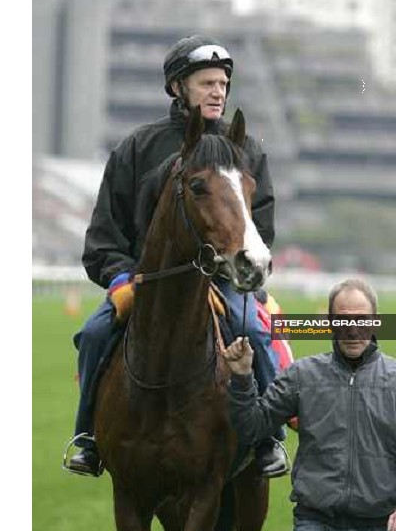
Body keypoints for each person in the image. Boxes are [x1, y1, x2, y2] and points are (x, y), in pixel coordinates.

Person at [66, 34, 289, 478]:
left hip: (223, 280)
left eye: (223, 84)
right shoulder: (137, 147)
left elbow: (259, 228)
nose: (218, 92)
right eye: (207, 83)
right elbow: (103, 237)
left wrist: (237, 267)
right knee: (93, 334)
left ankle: (268, 440)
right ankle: (88, 438)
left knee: (252, 329)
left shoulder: (247, 150)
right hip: (141, 283)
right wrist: (120, 278)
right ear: (177, 88)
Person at [224, 278, 396, 531]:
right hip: (315, 520)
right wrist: (243, 378)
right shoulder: (301, 376)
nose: (352, 331)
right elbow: (251, 428)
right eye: (343, 320)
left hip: (380, 522)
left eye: (361, 320)